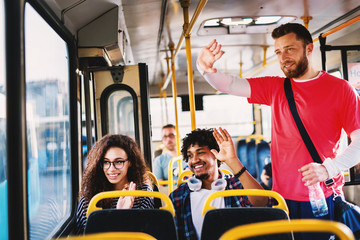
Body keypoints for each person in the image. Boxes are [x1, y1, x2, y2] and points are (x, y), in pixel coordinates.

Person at [197, 23, 360, 229]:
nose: (283, 58)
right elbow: (229, 84)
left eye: (290, 49)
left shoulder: (340, 89)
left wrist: (328, 169)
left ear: (309, 49)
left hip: (321, 197)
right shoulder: (275, 88)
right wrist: (205, 69)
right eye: (278, 52)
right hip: (280, 199)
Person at [169, 128, 268, 240]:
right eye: (190, 155)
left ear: (215, 154)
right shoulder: (178, 196)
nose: (194, 160)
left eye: (200, 152)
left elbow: (262, 202)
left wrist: (233, 160)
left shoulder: (234, 186)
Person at [74, 134, 155, 234]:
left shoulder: (142, 192)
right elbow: (85, 234)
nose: (111, 169)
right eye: (106, 162)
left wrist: (121, 215)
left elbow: (143, 234)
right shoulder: (90, 195)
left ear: (130, 162)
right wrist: (118, 214)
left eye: (119, 162)